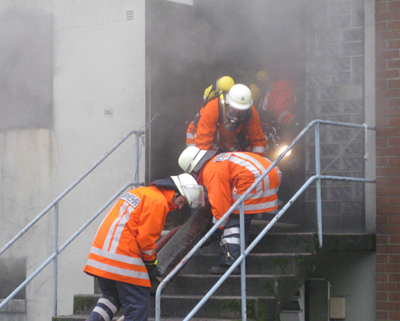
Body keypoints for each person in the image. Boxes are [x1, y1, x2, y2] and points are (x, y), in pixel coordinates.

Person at [83, 173, 205, 321]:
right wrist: (151, 264)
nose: (180, 207)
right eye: (181, 201)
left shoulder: (140, 192)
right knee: (138, 304)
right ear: (176, 191)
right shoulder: (158, 202)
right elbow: (146, 241)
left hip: (102, 253)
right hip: (122, 255)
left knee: (111, 298)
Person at [178, 146, 282, 274]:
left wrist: (216, 229)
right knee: (241, 217)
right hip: (269, 173)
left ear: (194, 168)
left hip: (253, 179)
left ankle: (230, 263)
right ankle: (240, 248)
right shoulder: (219, 160)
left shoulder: (211, 171)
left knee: (232, 220)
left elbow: (221, 205)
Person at [187, 81, 267, 156]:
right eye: (234, 107)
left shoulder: (251, 113)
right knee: (204, 158)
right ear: (227, 102)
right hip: (199, 135)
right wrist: (200, 166)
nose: (237, 111)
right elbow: (203, 141)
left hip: (226, 138)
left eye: (241, 109)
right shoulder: (213, 108)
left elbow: (258, 141)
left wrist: (257, 162)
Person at [186, 76, 235, 148]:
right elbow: (203, 141)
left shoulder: (233, 99)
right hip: (198, 132)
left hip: (218, 134)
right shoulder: (212, 102)